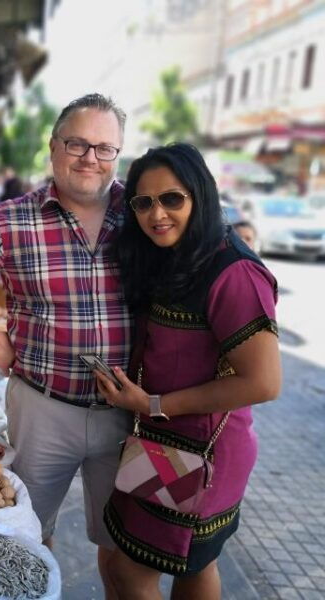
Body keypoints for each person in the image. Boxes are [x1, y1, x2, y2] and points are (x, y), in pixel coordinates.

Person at [0, 93, 132, 598]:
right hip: (42, 407)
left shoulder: (140, 216)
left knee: (122, 545)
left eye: (105, 148)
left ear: (118, 154)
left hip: (128, 412)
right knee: (32, 534)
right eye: (77, 143)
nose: (90, 158)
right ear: (53, 147)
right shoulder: (12, 219)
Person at [94, 143, 280, 598]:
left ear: (200, 195)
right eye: (143, 202)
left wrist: (153, 404)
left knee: (131, 571)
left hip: (202, 455)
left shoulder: (233, 272)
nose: (157, 213)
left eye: (172, 199)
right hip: (166, 445)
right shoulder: (178, 253)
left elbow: (264, 382)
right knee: (194, 566)